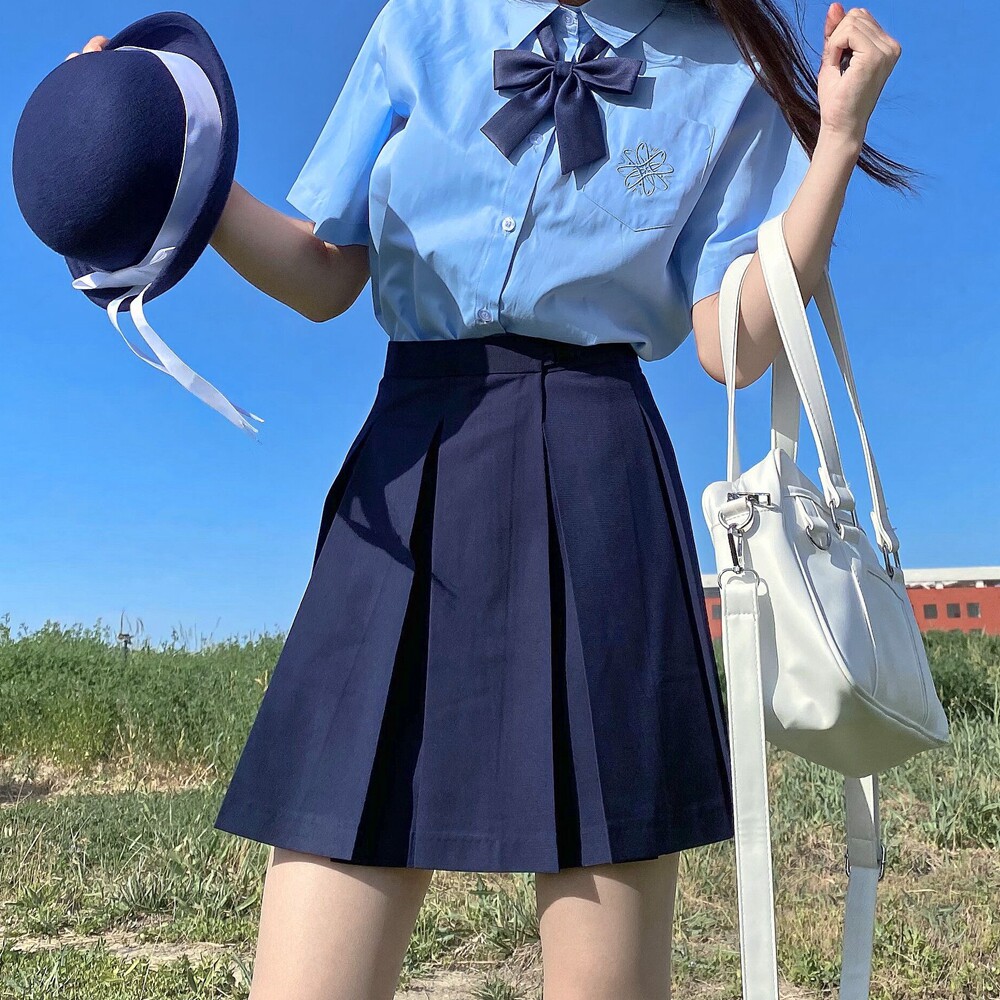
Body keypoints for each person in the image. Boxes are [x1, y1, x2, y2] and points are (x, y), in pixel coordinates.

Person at [68, 1, 906, 997]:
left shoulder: (726, 72)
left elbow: (734, 343)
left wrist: (836, 144)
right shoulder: (426, 18)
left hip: (596, 482)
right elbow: (324, 274)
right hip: (410, 460)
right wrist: (164, 153)